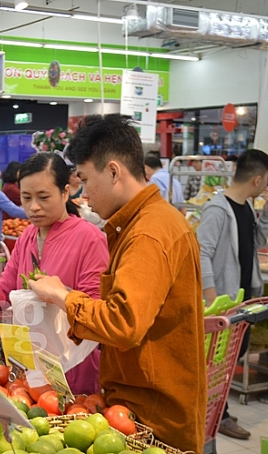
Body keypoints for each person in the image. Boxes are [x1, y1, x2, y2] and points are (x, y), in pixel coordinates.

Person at [24, 115, 206, 454]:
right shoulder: (143, 224)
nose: (84, 194)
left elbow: (123, 323)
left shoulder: (148, 233)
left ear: (113, 172)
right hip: (135, 405)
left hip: (153, 417)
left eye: (87, 180)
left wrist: (64, 295)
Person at [0, 152, 107, 395]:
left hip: (73, 368)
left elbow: (95, 311)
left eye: (43, 197)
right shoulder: (27, 236)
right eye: (26, 198)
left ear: (66, 192)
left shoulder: (89, 238)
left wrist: (58, 295)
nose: (33, 207)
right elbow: (2, 296)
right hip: (29, 364)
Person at [197, 149, 268, 440]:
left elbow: (256, 244)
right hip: (223, 303)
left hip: (242, 300)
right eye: (266, 178)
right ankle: (217, 415)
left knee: (232, 359)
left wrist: (267, 214)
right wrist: (212, 297)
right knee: (217, 364)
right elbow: (201, 252)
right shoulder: (218, 209)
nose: (266, 183)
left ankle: (217, 412)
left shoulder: (246, 207)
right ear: (257, 179)